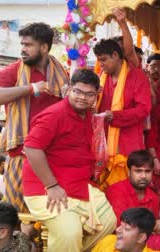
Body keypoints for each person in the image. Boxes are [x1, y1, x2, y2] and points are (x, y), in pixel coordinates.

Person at [22, 69, 116, 251]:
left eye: (89, 94)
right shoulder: (54, 115)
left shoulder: (87, 115)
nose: (83, 98)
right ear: (69, 89)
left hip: (77, 184)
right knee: (69, 233)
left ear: (96, 95)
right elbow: (31, 148)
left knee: (108, 221)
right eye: (78, 92)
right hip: (46, 188)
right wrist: (51, 186)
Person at [0, 22, 69, 212]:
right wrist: (31, 88)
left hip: (54, 153)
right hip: (22, 153)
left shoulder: (61, 73)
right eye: (22, 44)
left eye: (28, 45)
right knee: (19, 214)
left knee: (56, 211)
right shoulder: (14, 70)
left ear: (44, 47)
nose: (23, 49)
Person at [94, 39, 151, 187]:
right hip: (103, 143)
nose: (101, 64)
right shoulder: (101, 78)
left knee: (126, 187)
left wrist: (116, 116)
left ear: (115, 55)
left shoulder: (137, 76)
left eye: (104, 60)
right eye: (99, 61)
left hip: (128, 141)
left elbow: (144, 109)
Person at [92, 208, 156, 252]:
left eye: (126, 228)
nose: (117, 230)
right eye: (120, 225)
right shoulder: (107, 242)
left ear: (141, 237)